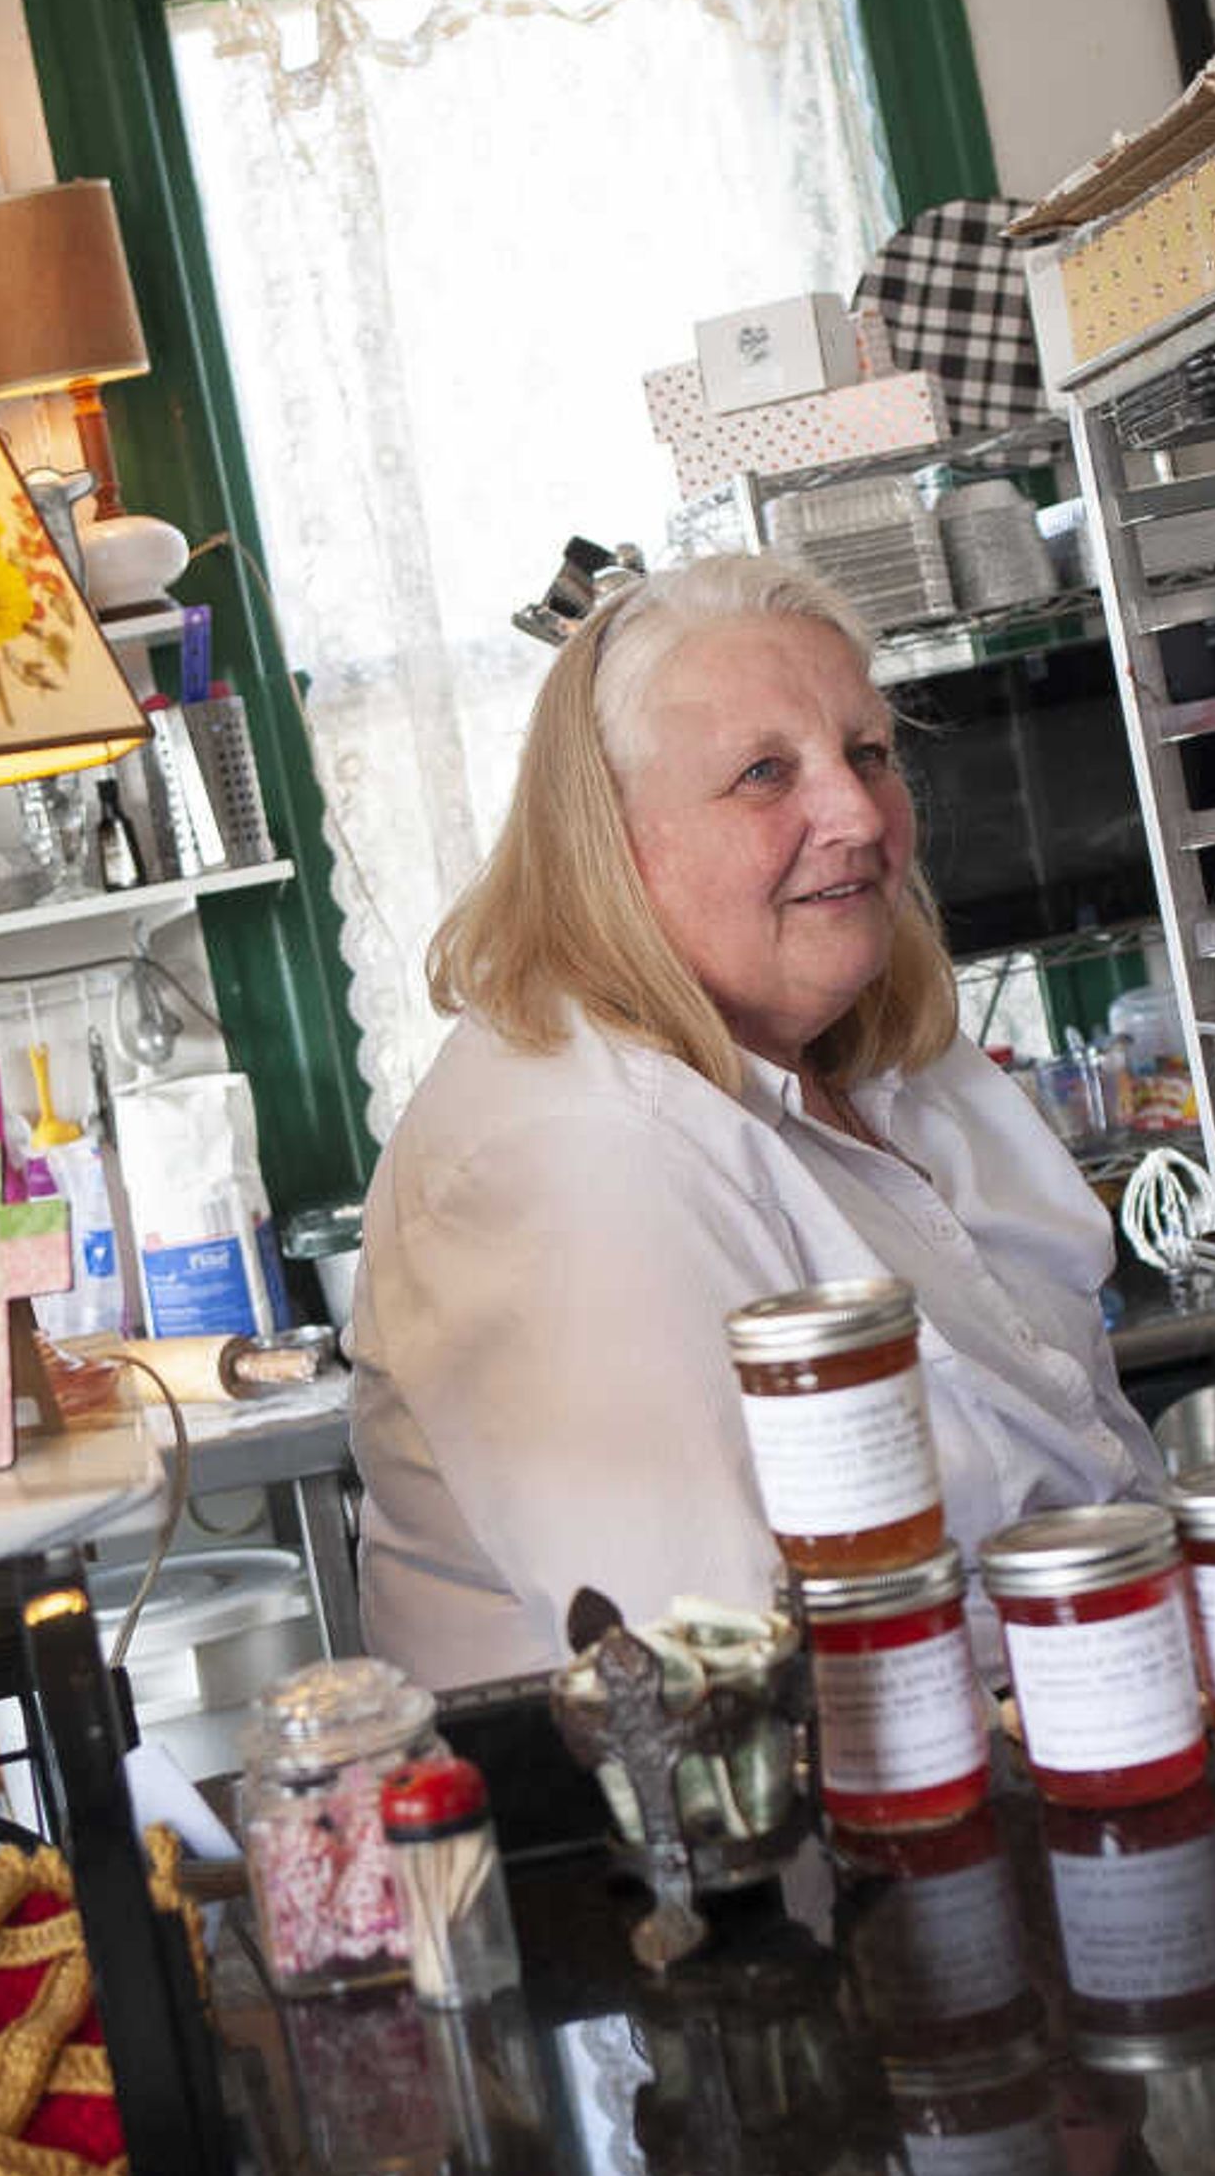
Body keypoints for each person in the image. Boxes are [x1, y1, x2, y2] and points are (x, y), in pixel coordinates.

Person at [348, 552, 1162, 1686]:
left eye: (868, 752)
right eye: (765, 773)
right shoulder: (576, 1156)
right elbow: (727, 1675)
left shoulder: (880, 1054)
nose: (858, 813)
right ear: (612, 845)